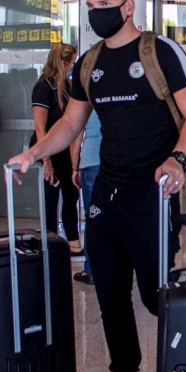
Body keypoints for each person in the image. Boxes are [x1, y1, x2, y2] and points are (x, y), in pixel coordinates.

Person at [8, 0, 186, 372]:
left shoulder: (160, 52)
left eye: (105, 5)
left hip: (154, 191)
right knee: (110, 293)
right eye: (91, 7)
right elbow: (69, 123)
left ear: (128, 5)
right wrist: (34, 153)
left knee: (158, 297)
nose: (97, 14)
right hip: (107, 191)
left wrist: (177, 160)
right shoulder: (90, 62)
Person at [29, 43, 84, 258]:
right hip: (49, 148)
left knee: (71, 195)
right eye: (72, 62)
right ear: (63, 62)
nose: (73, 66)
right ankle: (50, 243)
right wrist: (46, 160)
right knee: (51, 197)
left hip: (64, 148)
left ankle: (72, 242)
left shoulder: (67, 87)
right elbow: (40, 127)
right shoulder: (43, 87)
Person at [70, 110, 102, 285]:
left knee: (93, 218)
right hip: (115, 162)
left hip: (90, 161)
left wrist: (74, 168)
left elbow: (76, 138)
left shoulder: (87, 103)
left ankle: (91, 270)